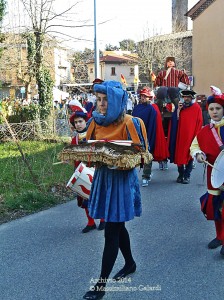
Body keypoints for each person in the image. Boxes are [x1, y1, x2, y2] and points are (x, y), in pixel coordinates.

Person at [83, 80, 149, 300]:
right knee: (117, 226)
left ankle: (100, 286)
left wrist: (121, 161)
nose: (101, 105)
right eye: (98, 100)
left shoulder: (131, 122)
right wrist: (88, 158)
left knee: (111, 230)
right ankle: (129, 263)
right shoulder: (94, 122)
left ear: (117, 101)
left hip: (122, 181)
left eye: (106, 100)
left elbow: (143, 155)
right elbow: (87, 152)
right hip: (103, 179)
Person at [190, 86, 224, 256]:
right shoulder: (204, 131)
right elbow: (195, 146)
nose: (214, 112)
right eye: (211, 109)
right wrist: (198, 154)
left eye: (218, 108)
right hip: (214, 174)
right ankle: (219, 236)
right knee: (216, 205)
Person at [69, 107, 105, 233]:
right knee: (84, 196)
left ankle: (103, 220)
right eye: (76, 122)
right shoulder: (75, 139)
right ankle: (90, 222)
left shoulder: (93, 135)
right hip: (81, 170)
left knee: (98, 195)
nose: (78, 124)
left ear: (85, 121)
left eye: (80, 121)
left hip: (95, 169)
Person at [168, 89, 203, 184]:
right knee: (179, 156)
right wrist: (178, 111)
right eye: (184, 97)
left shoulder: (196, 108)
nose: (186, 99)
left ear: (191, 98)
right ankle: (180, 174)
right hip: (180, 137)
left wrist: (197, 137)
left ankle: (187, 176)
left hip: (191, 137)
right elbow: (174, 121)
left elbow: (199, 123)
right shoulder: (180, 108)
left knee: (189, 157)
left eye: (188, 97)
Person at [132, 88, 157, 186]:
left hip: (147, 135)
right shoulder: (137, 107)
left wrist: (149, 138)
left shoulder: (151, 109)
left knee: (147, 156)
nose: (143, 98)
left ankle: (146, 176)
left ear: (149, 98)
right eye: (142, 96)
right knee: (135, 157)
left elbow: (152, 124)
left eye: (145, 96)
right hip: (136, 135)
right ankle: (133, 176)